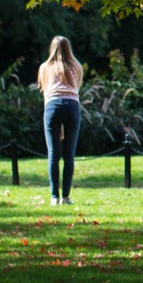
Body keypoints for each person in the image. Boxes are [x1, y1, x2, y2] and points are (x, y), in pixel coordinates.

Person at [38, 36, 83, 205]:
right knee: (69, 154)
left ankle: (54, 196)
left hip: (52, 106)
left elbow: (45, 92)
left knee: (53, 154)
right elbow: (76, 89)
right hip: (72, 106)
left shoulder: (45, 67)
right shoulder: (76, 66)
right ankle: (66, 196)